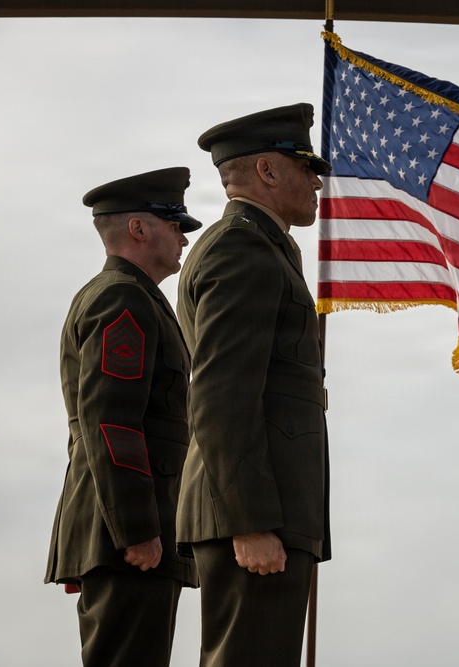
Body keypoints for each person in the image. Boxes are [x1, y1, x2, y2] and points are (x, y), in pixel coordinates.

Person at [176, 102, 332, 666]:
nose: (317, 180)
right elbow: (221, 394)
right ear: (267, 170)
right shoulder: (244, 248)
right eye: (305, 166)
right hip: (256, 513)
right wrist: (251, 521)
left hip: (265, 508)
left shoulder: (258, 245)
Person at [45, 167, 202, 666]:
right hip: (130, 530)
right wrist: (136, 527)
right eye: (174, 224)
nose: (182, 237)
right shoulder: (123, 298)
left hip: (128, 526)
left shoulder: (129, 296)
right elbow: (111, 419)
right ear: (138, 229)